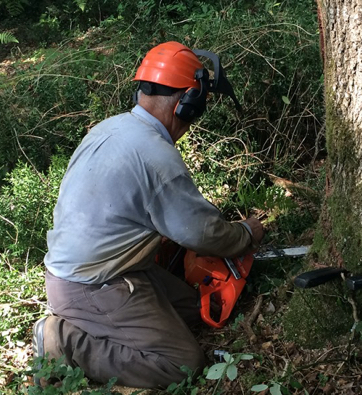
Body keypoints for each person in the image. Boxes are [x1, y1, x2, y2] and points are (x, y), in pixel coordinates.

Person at [32, 41, 264, 389]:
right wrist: (245, 234)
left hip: (103, 269)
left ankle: (93, 322)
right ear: (186, 103)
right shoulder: (155, 156)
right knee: (182, 362)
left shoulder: (109, 129)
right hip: (93, 283)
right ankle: (63, 340)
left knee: (190, 307)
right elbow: (200, 233)